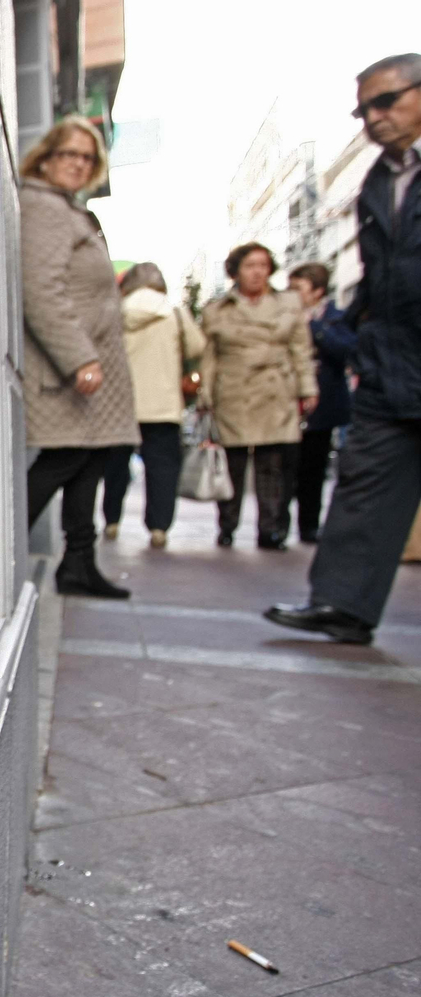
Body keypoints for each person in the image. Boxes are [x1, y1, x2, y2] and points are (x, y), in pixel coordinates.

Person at [268, 54, 421, 644]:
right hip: (389, 361)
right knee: (364, 480)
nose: (374, 117)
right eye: (363, 110)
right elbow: (381, 276)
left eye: (386, 101)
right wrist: (361, 341)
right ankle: (342, 604)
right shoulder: (380, 179)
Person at [19, 115, 139, 598]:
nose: (78, 164)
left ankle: (79, 563)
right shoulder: (43, 207)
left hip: (90, 363)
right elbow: (40, 290)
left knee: (89, 459)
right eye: (68, 153)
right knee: (66, 456)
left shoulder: (68, 210)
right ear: (46, 157)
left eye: (87, 158)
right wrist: (77, 358)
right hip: (69, 366)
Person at [197, 243, 317, 549]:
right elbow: (209, 357)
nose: (257, 272)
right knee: (233, 466)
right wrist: (205, 395)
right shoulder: (217, 309)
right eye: (250, 265)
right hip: (233, 392)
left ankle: (271, 530)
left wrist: (307, 388)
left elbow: (301, 350)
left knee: (273, 466)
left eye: (263, 265)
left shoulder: (288, 304)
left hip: (275, 391)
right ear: (236, 270)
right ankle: (227, 526)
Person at [101, 262, 205, 549]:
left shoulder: (116, 312)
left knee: (115, 466)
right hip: (163, 404)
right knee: (162, 469)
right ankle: (159, 527)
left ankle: (111, 520)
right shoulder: (175, 313)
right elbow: (197, 347)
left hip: (120, 404)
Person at [285, 263, 356, 543]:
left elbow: (346, 351)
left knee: (313, 469)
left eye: (298, 288)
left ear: (317, 291)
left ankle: (309, 526)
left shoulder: (337, 318)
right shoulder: (282, 315)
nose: (292, 294)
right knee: (284, 467)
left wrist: (313, 326)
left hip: (323, 406)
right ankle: (276, 525)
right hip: (285, 402)